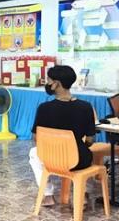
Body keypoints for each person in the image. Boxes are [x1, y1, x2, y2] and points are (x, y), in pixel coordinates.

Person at [29, 65, 96, 206]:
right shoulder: (86, 107)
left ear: (56, 84)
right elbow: (90, 140)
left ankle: (48, 195)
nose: (47, 83)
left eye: (49, 80)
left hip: (50, 159)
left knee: (34, 153)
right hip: (78, 160)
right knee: (87, 153)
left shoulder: (44, 108)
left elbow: (36, 138)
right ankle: (83, 194)